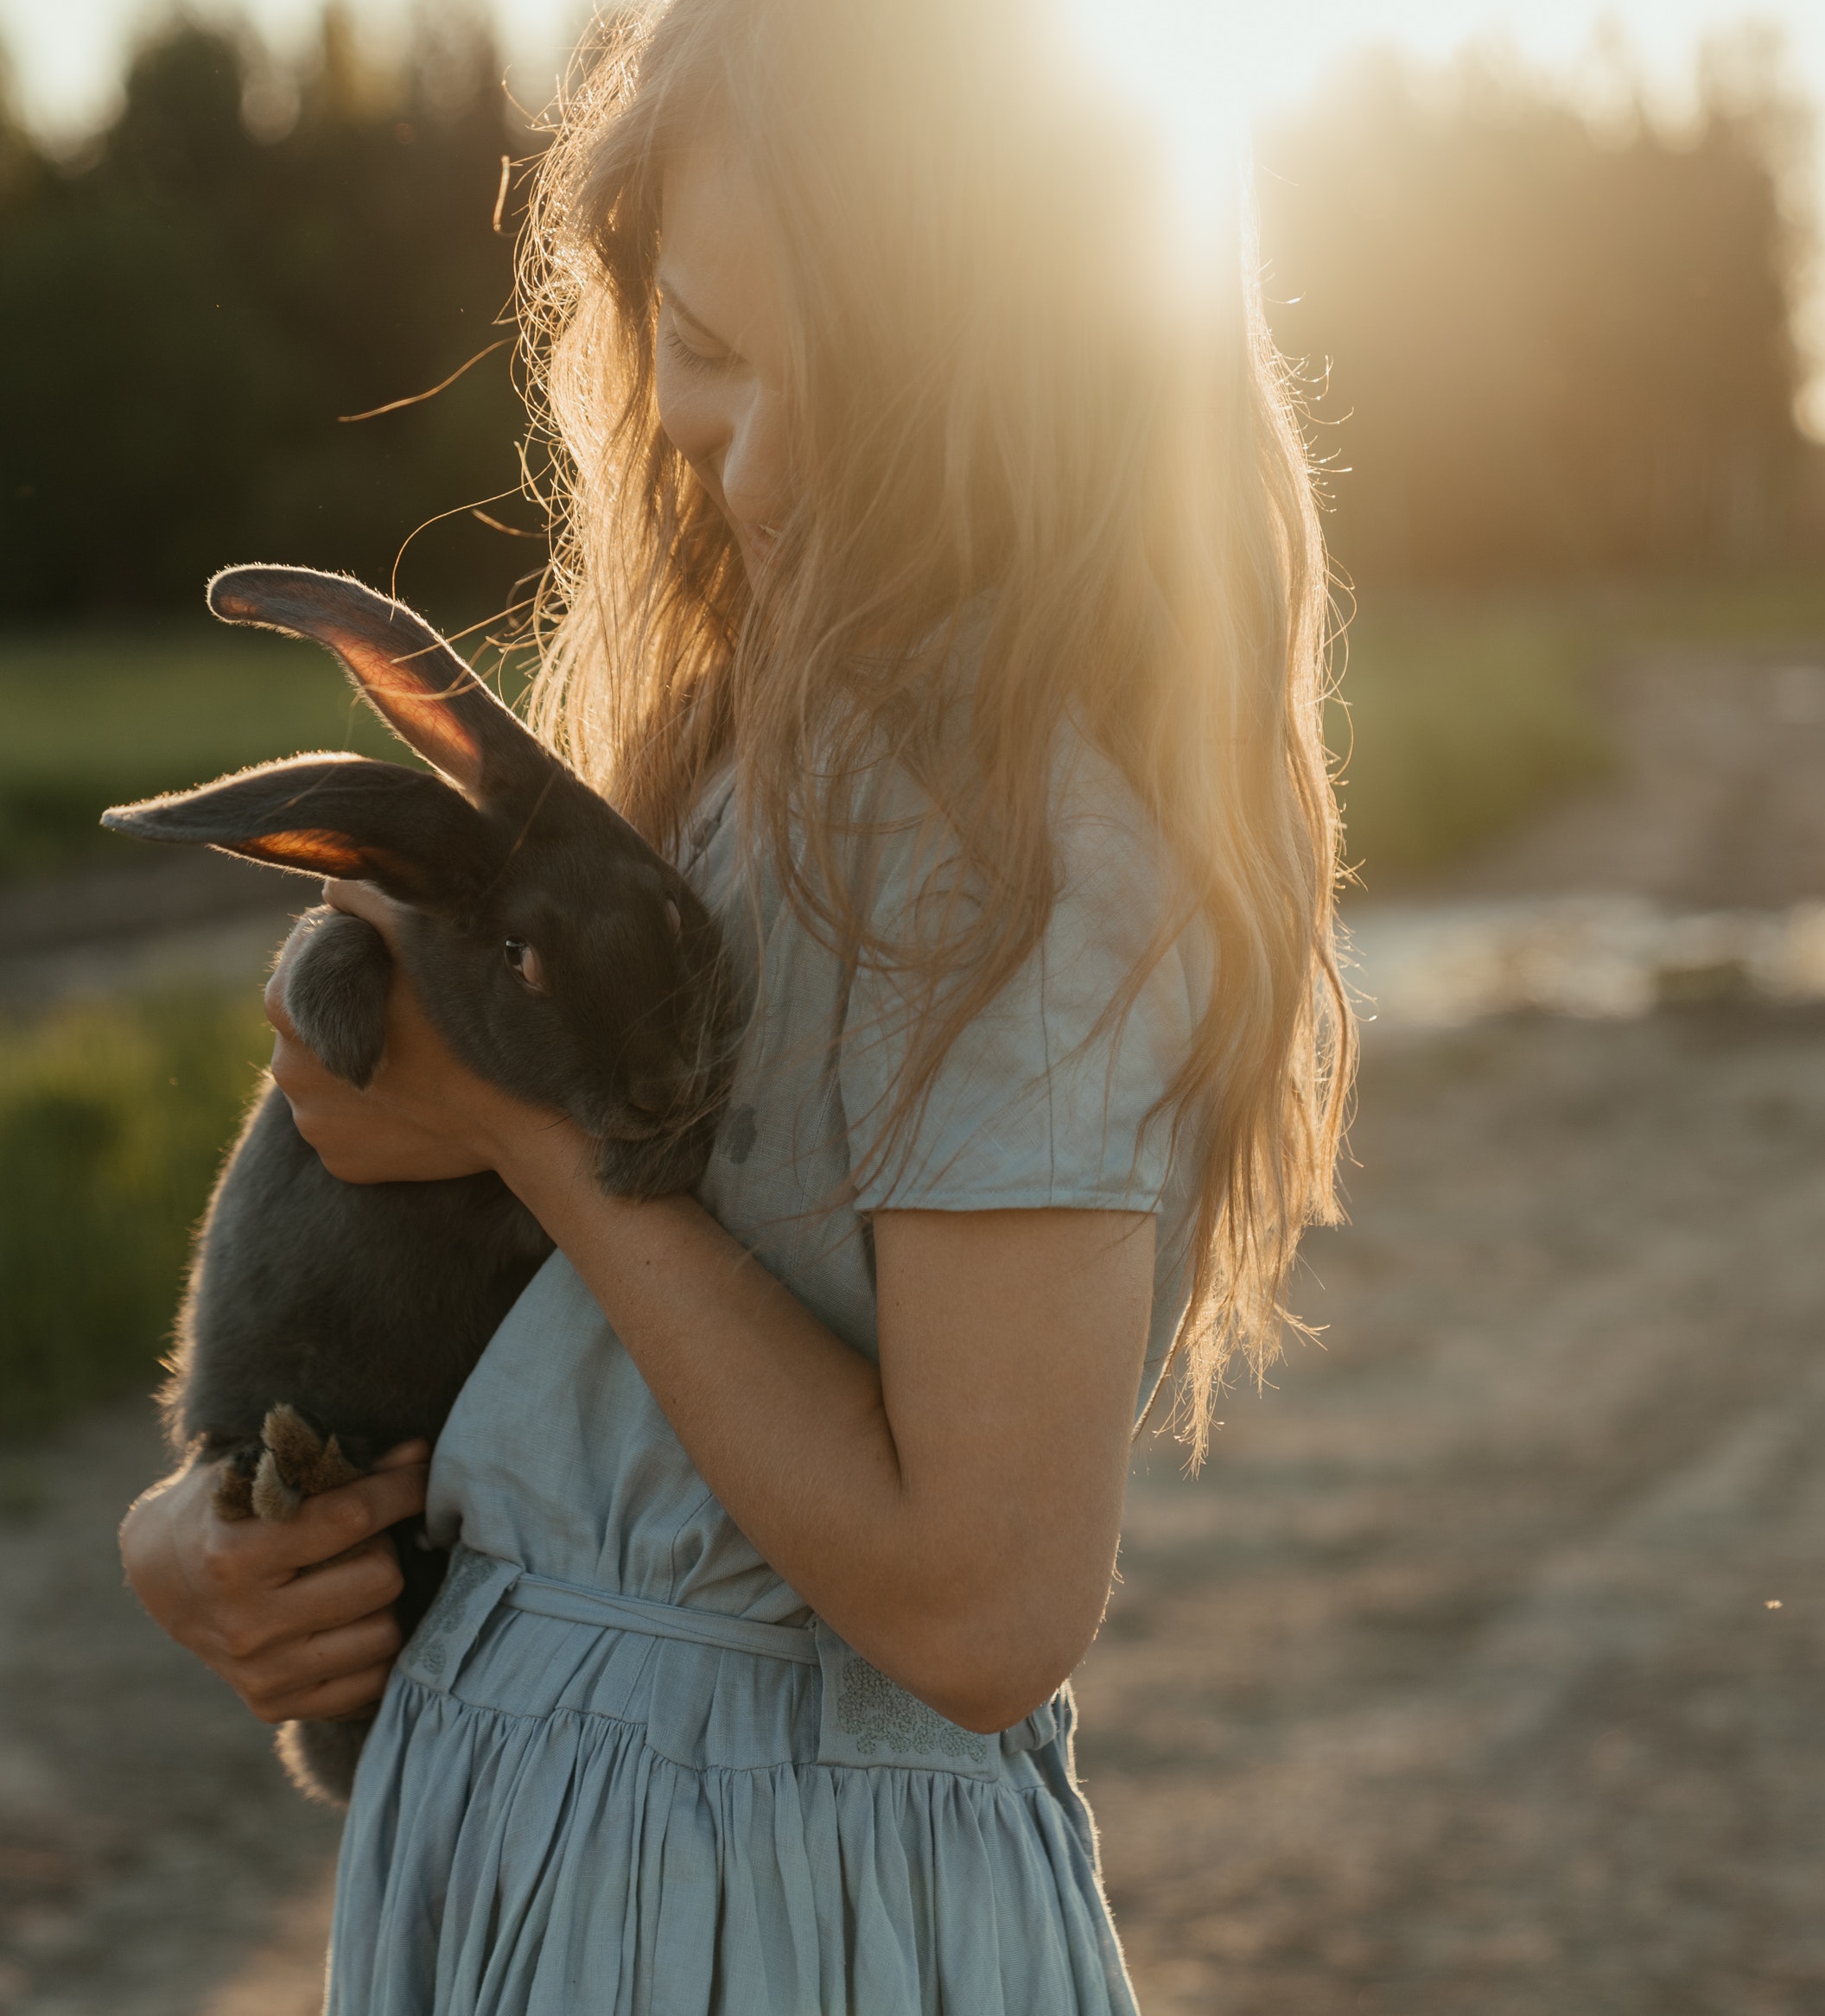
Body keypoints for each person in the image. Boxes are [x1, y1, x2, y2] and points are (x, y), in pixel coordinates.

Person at [118, 0, 1350, 2006]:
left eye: (847, 391)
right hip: (534, 1853)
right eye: (702, 346)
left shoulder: (1027, 842)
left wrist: (528, 1130)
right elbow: (551, 1386)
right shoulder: (724, 756)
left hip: (766, 1911)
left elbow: (978, 1608)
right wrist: (209, 1545)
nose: (755, 463)